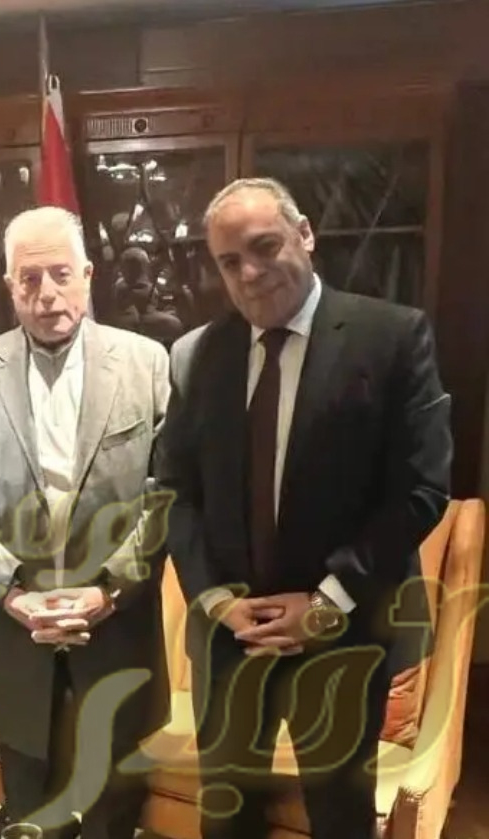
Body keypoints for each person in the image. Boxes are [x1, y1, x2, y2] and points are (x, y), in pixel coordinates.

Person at [156, 177, 452, 839]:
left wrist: (326, 600)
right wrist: (214, 598)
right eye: (230, 261)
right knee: (228, 821)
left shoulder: (391, 337)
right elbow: (173, 490)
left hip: (343, 632)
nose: (250, 273)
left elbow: (420, 489)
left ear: (305, 234)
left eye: (265, 247)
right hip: (231, 638)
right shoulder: (199, 354)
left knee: (340, 820)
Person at [0, 206, 171, 839]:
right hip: (18, 636)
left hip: (118, 632)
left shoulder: (148, 364)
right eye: (30, 279)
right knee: (31, 814)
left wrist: (110, 590)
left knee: (113, 815)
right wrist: (12, 590)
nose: (47, 294)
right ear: (9, 285)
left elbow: (168, 493)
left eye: (61, 274)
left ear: (89, 276)